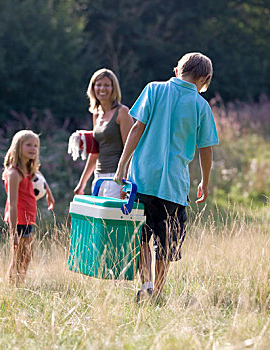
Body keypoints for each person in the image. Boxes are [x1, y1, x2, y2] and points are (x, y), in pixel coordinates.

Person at [114, 53, 219, 302]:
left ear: (177, 70)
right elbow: (206, 148)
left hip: (142, 180)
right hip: (174, 187)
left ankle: (146, 283)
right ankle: (158, 292)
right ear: (206, 79)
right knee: (166, 242)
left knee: (139, 236)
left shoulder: (153, 89)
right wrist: (205, 181)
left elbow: (136, 128)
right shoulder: (201, 105)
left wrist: (121, 167)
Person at [3, 130, 55, 285]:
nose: (33, 148)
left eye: (36, 146)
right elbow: (12, 204)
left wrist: (49, 195)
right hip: (18, 220)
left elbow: (41, 179)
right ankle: (13, 286)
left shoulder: (29, 169)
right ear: (18, 147)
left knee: (27, 254)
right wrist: (13, 233)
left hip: (28, 218)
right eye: (29, 145)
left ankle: (19, 282)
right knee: (18, 256)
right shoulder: (14, 173)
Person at [74, 68, 134, 198]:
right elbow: (95, 153)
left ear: (114, 88)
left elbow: (130, 149)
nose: (102, 88)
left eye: (107, 85)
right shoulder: (97, 114)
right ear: (93, 88)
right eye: (99, 85)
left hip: (116, 178)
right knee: (96, 218)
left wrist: (125, 181)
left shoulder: (122, 112)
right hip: (98, 177)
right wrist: (82, 183)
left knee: (110, 217)